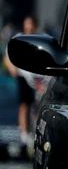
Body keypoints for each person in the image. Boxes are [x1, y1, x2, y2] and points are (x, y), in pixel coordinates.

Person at [3, 15, 44, 149]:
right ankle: (24, 136)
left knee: (38, 107)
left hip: (38, 79)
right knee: (24, 105)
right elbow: (7, 57)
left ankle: (38, 134)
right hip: (23, 77)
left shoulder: (42, 38)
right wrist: (13, 69)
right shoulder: (18, 39)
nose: (29, 27)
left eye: (31, 24)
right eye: (27, 24)